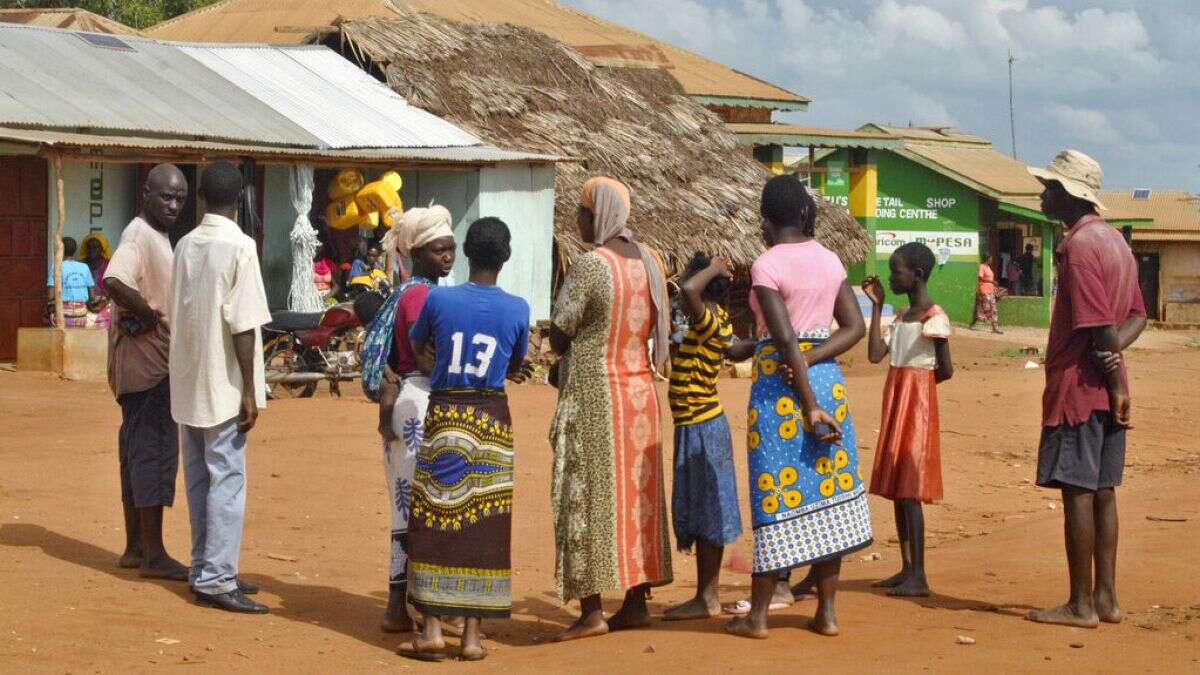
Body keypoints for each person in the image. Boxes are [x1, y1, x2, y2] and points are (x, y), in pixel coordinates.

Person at [727, 175, 868, 640]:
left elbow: (785, 337)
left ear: (764, 219)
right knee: (829, 492)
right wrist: (811, 363)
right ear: (805, 214)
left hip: (781, 390)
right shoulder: (829, 260)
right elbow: (853, 328)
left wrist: (805, 400)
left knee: (776, 490)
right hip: (829, 382)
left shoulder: (767, 264)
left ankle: (759, 616)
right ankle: (826, 613)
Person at [398, 217, 532, 662]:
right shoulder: (518, 308)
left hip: (447, 412)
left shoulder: (439, 299)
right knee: (485, 522)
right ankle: (472, 638)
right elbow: (515, 362)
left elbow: (420, 350)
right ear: (505, 256)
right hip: (492, 417)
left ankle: (432, 628)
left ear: (467, 253)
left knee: (434, 515)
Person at [1025, 150, 1146, 628]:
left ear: (1069, 195)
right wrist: (1117, 366)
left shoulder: (1078, 247)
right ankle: (1106, 599)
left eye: (1050, 188)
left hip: (1080, 387)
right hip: (1109, 387)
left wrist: (1113, 375)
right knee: (1103, 491)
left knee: (1078, 490)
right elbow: (1134, 315)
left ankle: (1080, 605)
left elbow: (1097, 324)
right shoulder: (1116, 241)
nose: (1042, 194)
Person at [548, 176, 673, 642]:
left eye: (582, 212)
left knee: (585, 495)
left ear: (597, 214)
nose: (578, 221)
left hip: (594, 396)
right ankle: (637, 601)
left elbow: (561, 332)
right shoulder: (652, 261)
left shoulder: (590, 266)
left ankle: (593, 610)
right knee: (636, 497)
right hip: (640, 394)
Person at [169, 161, 272, 614]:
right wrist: (250, 390)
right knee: (227, 477)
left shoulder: (185, 244)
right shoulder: (240, 246)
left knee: (199, 480)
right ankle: (215, 577)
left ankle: (205, 566)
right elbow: (244, 323)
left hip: (188, 379)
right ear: (242, 198)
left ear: (200, 198)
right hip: (224, 383)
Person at [372, 206, 457, 634]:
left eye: (450, 248)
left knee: (405, 508)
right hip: (420, 402)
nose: (447, 257)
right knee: (423, 508)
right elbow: (428, 356)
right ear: (418, 253)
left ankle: (396, 604)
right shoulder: (423, 296)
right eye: (438, 250)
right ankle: (416, 608)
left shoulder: (409, 292)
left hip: (404, 403)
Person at [104, 163, 189, 578]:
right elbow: (115, 280)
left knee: (136, 451)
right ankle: (153, 553)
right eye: (166, 196)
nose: (173, 205)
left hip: (141, 367)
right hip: (148, 367)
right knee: (154, 452)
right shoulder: (139, 235)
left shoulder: (153, 236)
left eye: (179, 199)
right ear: (146, 193)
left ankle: (136, 546)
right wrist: (150, 315)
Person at [662, 252, 755, 621]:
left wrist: (714, 267)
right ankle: (706, 594)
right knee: (704, 509)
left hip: (701, 425)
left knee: (707, 511)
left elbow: (687, 288)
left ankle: (707, 596)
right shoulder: (717, 320)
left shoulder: (707, 316)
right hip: (697, 424)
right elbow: (731, 349)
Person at [862, 242, 954, 598]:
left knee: (911, 489)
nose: (891, 276)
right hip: (899, 398)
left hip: (916, 404)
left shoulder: (935, 318)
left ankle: (920, 574)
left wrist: (918, 386)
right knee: (901, 490)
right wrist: (877, 307)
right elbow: (873, 355)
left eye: (896, 271)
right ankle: (907, 567)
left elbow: (945, 369)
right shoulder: (900, 317)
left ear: (916, 274)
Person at [46, 237, 95, 327]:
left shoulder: (56, 266)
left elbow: (50, 295)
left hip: (62, 316)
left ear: (60, 250)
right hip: (82, 315)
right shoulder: (84, 267)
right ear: (75, 250)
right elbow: (92, 295)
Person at [969, 254, 1002, 334]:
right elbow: (980, 278)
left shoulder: (989, 267)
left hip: (990, 290)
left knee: (992, 308)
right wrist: (991, 282)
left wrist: (994, 286)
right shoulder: (982, 267)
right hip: (984, 290)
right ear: (987, 259)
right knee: (985, 308)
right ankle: (977, 324)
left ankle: (994, 327)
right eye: (991, 258)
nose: (992, 260)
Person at [79, 230, 112, 296]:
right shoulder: (81, 265)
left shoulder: (108, 265)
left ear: (102, 249)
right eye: (89, 247)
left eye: (95, 247)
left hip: (104, 301)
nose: (91, 250)